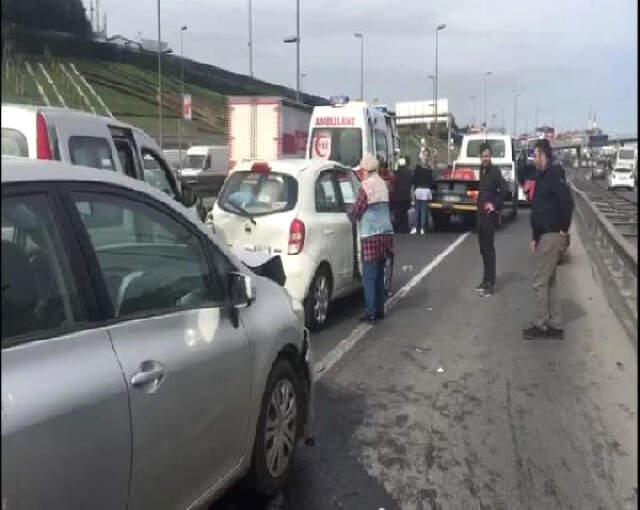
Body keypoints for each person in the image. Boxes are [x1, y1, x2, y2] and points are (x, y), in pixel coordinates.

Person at [523, 138, 574, 340]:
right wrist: (535, 236)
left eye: (535, 156)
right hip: (544, 235)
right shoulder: (541, 177)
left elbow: (567, 204)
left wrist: (563, 229)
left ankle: (541, 324)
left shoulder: (554, 176)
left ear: (543, 155)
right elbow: (538, 209)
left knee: (539, 281)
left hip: (552, 235)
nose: (534, 160)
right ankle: (555, 324)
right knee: (550, 281)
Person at [350, 153, 394, 324]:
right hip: (386, 234)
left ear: (366, 170)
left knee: (369, 275)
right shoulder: (383, 184)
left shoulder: (365, 187)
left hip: (371, 235)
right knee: (379, 273)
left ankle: (370, 313)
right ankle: (379, 309)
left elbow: (357, 210)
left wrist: (349, 214)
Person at [474, 142, 509, 297]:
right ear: (480, 157)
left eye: (487, 156)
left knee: (489, 250)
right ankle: (485, 279)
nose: (485, 158)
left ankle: (490, 284)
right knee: (482, 250)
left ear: (490, 156)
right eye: (483, 156)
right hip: (480, 215)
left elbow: (505, 188)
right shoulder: (482, 170)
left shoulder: (494, 171)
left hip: (489, 217)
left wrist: (495, 205)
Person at [411, 148, 435, 235]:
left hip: (419, 190)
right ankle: (422, 228)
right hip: (425, 190)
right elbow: (432, 181)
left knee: (417, 210)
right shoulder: (429, 168)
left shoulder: (418, 168)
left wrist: (414, 190)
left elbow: (413, 180)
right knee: (423, 210)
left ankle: (416, 227)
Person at [390, 156, 413, 233]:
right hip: (406, 197)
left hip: (396, 197)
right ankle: (404, 228)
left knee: (398, 213)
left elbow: (393, 184)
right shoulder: (409, 174)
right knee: (404, 214)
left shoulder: (395, 174)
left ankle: (399, 227)